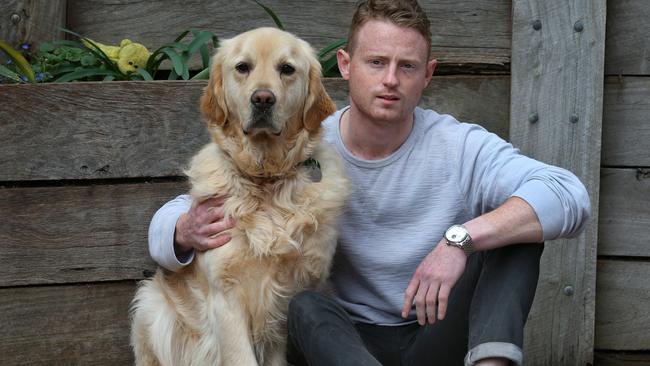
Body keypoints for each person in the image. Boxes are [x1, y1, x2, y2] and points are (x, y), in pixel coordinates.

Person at [148, 1, 591, 365]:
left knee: (518, 236)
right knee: (305, 305)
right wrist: (180, 231)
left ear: (428, 74)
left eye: (408, 66)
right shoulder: (305, 146)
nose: (391, 80)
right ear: (345, 64)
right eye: (376, 62)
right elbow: (186, 208)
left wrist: (458, 240)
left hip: (432, 332)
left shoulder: (459, 145)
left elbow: (567, 193)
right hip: (341, 341)